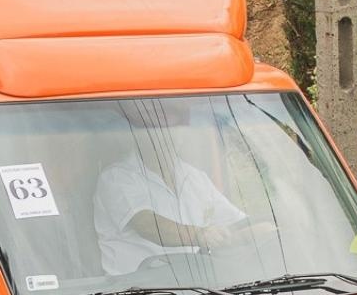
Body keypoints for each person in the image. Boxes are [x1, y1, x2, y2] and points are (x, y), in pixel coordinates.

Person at [93, 99, 270, 275]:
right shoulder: (117, 178)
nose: (168, 137)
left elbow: (235, 221)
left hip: (195, 283)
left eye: (175, 130)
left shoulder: (195, 178)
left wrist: (266, 230)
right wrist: (198, 235)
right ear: (143, 135)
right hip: (136, 287)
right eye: (160, 131)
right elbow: (147, 225)